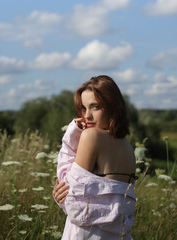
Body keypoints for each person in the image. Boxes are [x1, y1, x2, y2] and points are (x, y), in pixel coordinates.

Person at [53, 75, 137, 240]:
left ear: (113, 107)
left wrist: (72, 132)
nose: (87, 116)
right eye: (84, 108)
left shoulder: (92, 136)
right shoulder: (127, 147)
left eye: (95, 107)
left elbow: (70, 198)